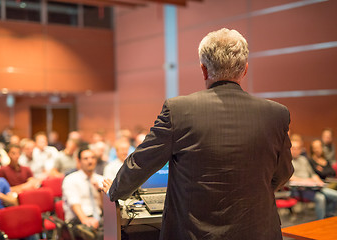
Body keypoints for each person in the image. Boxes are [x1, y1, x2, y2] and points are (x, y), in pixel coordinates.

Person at [104, 28, 293, 239]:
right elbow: (284, 172)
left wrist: (114, 192)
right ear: (245, 70)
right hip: (258, 231)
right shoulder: (277, 114)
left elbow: (141, 162)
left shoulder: (179, 110)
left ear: (203, 69)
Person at [289, 139, 337, 219]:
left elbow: (312, 174)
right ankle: (320, 222)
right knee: (321, 198)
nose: (295, 151)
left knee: (335, 196)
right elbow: (290, 178)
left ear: (301, 150)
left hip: (313, 187)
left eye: (297, 148)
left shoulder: (304, 159)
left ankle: (327, 216)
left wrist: (318, 181)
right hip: (299, 189)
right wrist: (305, 181)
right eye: (293, 148)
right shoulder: (287, 161)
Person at [62, 148, 104, 231]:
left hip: (99, 218)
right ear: (79, 161)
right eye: (86, 158)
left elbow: (104, 207)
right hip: (77, 220)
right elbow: (74, 204)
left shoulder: (101, 179)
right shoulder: (70, 179)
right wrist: (85, 219)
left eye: (93, 158)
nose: (90, 161)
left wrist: (100, 191)